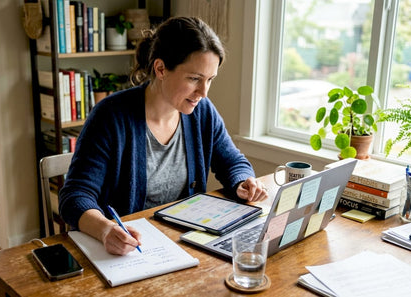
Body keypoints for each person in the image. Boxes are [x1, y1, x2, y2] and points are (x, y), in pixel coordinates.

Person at [59, 16, 268, 256]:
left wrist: (243, 181)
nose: (204, 92)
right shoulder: (111, 116)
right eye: (194, 79)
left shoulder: (202, 112)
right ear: (160, 69)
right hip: (130, 250)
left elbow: (232, 161)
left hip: (184, 245)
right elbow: (75, 196)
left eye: (210, 80)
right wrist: (106, 229)